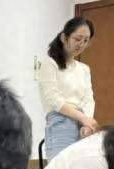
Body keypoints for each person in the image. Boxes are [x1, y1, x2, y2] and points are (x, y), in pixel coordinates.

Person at [39, 17, 97, 161]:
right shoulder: (50, 64)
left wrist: (87, 123)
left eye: (86, 40)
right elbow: (53, 99)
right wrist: (83, 118)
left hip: (82, 124)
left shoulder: (84, 69)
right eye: (78, 39)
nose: (81, 44)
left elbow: (89, 99)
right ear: (64, 38)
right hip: (60, 122)